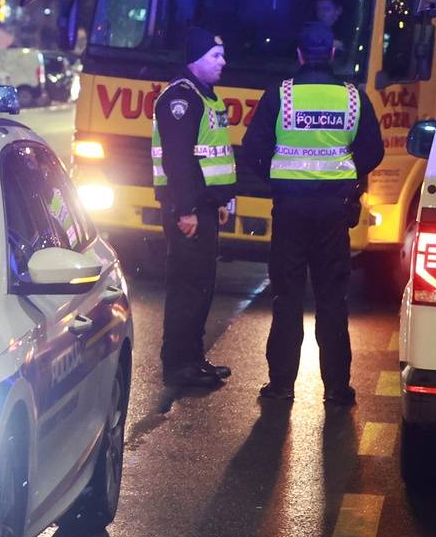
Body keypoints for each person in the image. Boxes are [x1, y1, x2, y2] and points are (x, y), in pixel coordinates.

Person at [238, 22, 384, 407]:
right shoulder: (354, 98)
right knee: (332, 300)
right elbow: (373, 151)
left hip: (290, 210)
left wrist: (279, 180)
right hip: (334, 212)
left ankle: (281, 386)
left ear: (300, 55)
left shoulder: (280, 95)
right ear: (333, 54)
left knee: (286, 297)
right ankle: (337, 389)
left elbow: (252, 148)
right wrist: (346, 179)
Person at [152, 28, 238, 389]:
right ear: (194, 59)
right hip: (186, 210)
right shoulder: (181, 99)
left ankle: (194, 358)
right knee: (187, 287)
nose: (223, 61)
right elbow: (178, 161)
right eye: (215, 56)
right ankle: (177, 364)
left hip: (204, 207)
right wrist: (186, 209)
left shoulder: (207, 97)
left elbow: (212, 154)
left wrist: (220, 200)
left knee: (201, 286)